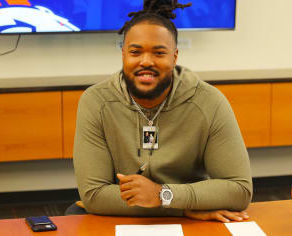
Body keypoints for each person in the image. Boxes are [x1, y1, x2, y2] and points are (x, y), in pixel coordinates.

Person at [73, 0, 252, 223]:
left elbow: (239, 190)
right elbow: (94, 196)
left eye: (159, 53)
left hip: (187, 221)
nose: (146, 61)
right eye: (135, 52)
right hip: (127, 218)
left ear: (174, 57)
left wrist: (162, 195)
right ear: (123, 55)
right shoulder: (96, 102)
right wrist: (180, 207)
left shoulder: (209, 102)